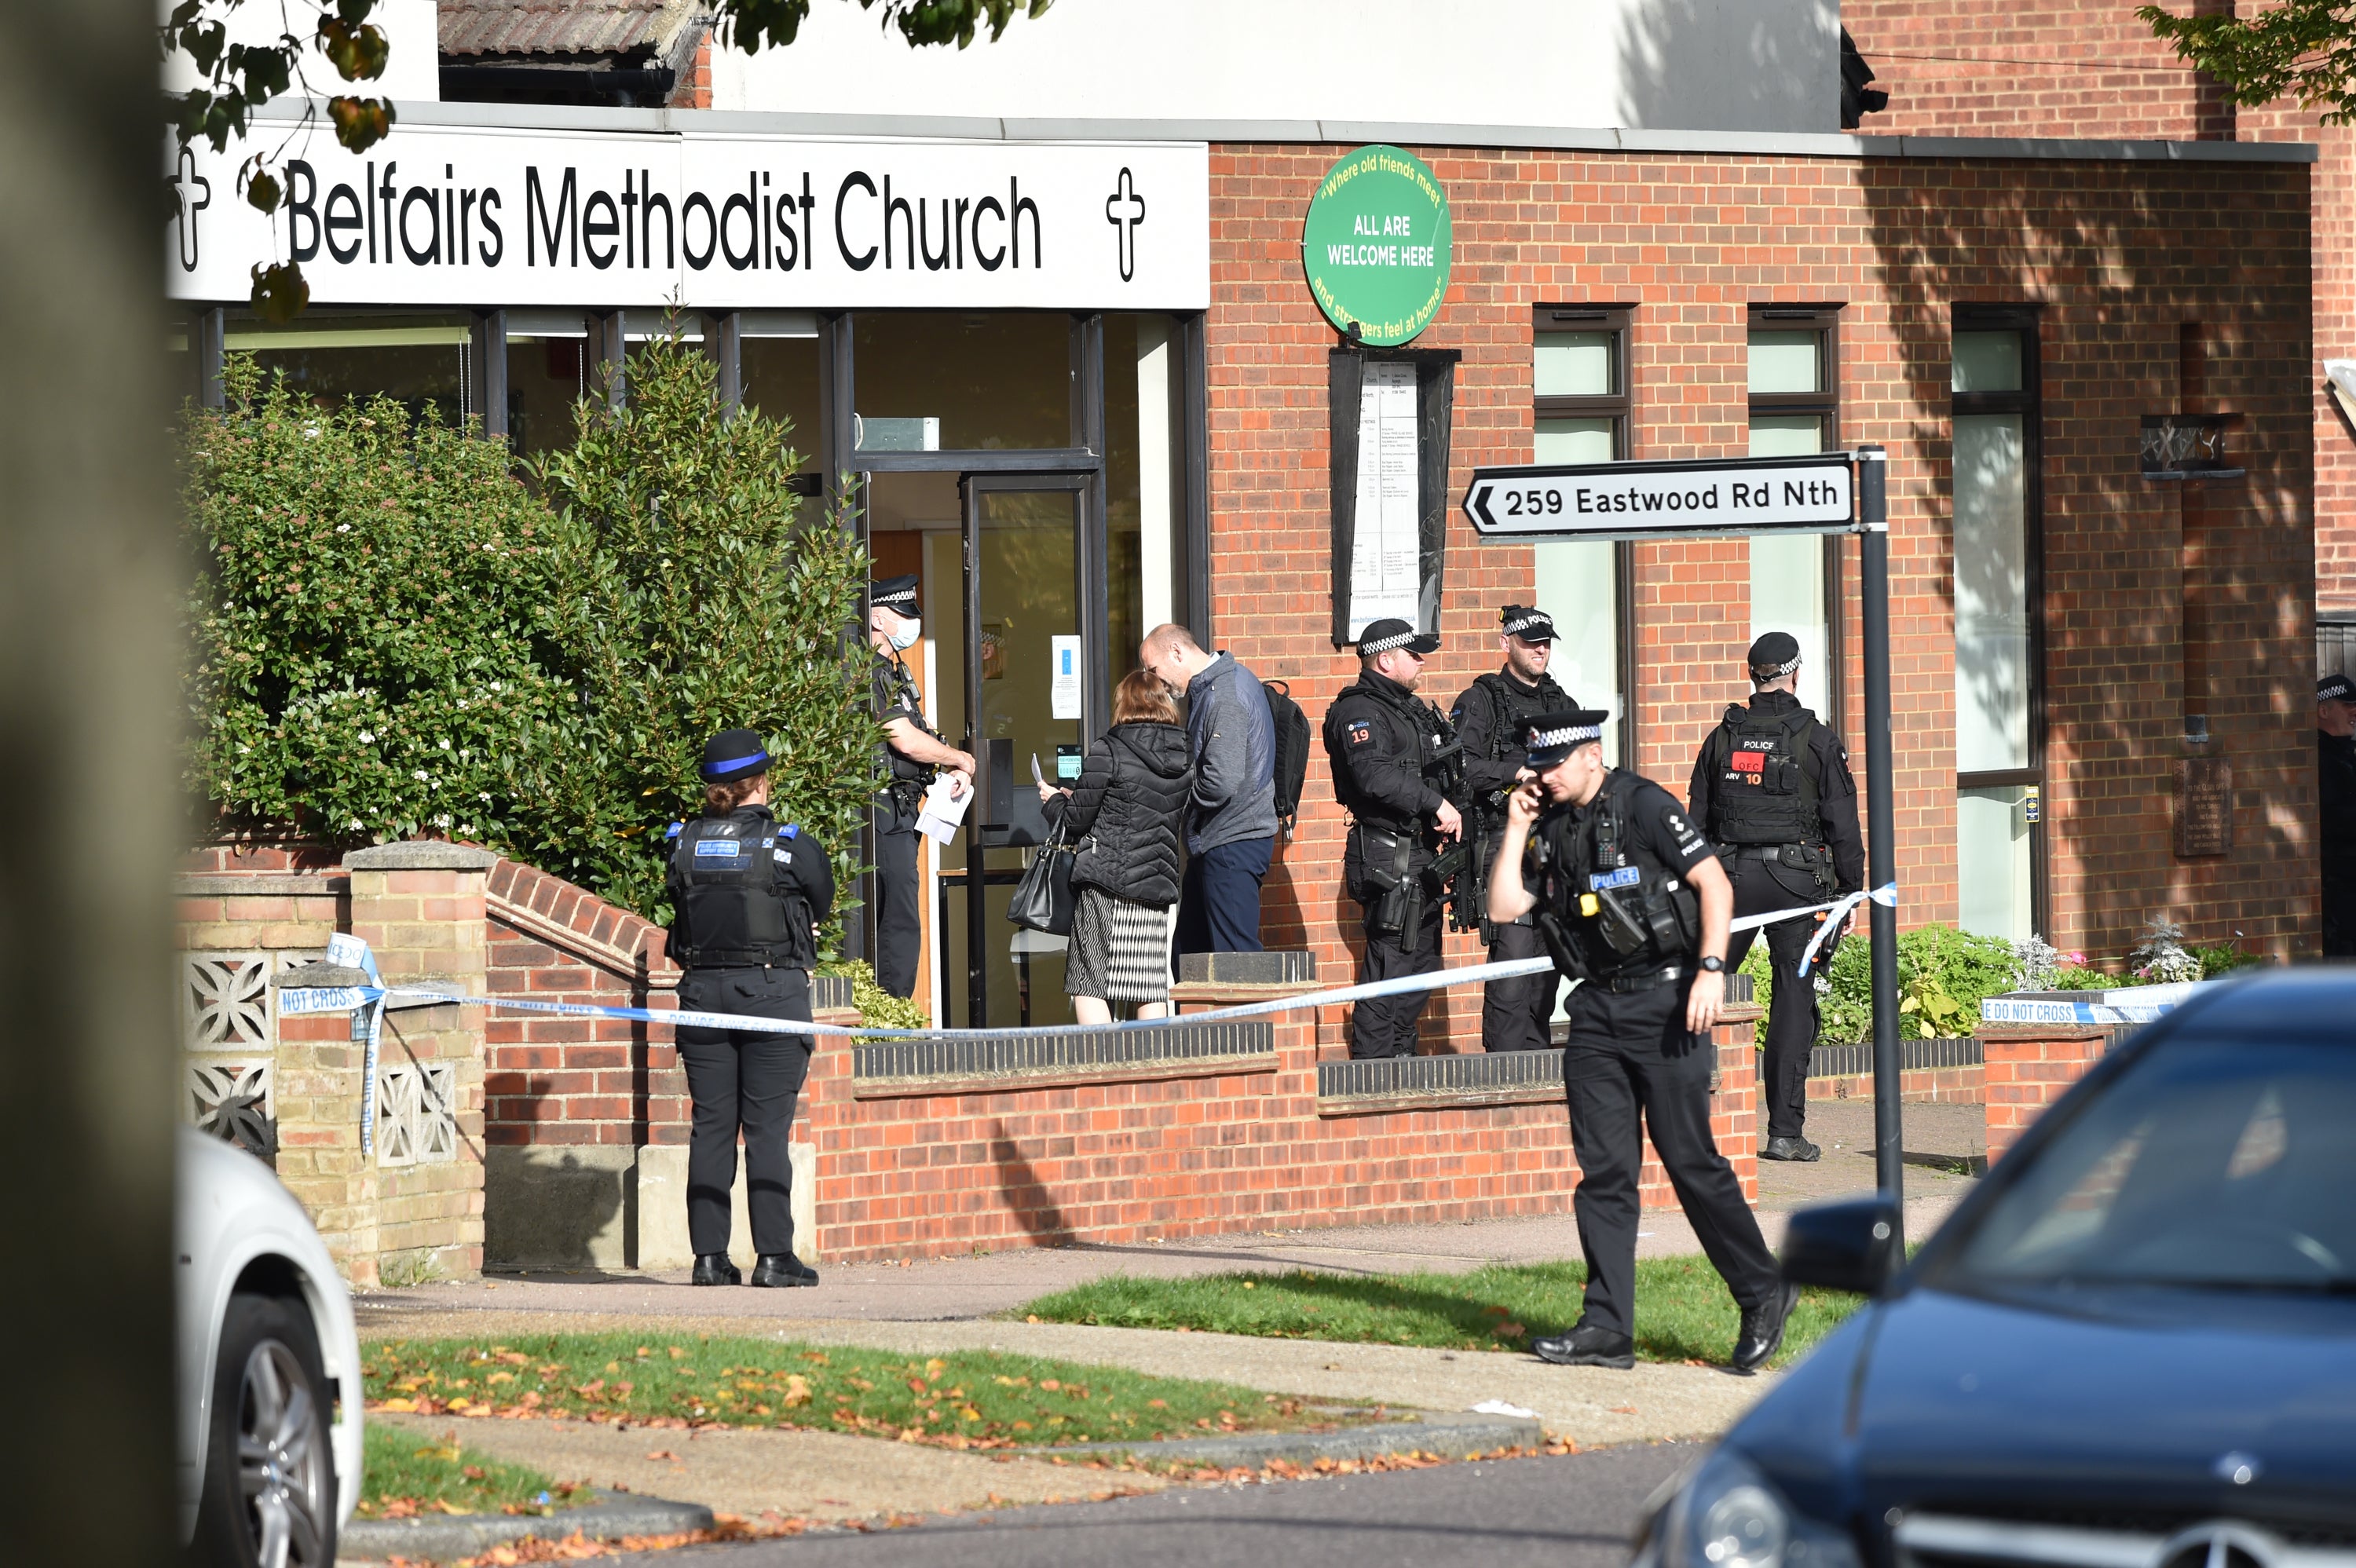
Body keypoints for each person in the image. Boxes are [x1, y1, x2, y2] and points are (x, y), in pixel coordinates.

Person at [1488, 708, 1793, 1373]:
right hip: (1595, 1009)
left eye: (1555, 764)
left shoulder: (1645, 805)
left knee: (1690, 1161)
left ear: (1591, 755)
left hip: (1667, 1000)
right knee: (1605, 1172)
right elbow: (1505, 906)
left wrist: (1712, 970)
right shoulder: (1548, 823)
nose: (1544, 776)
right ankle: (1605, 1325)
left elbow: (1713, 882)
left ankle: (1763, 1289)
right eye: (1537, 765)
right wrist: (1515, 826)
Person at [665, 729, 836, 1289]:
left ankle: (709, 1258)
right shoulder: (788, 845)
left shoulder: (682, 842)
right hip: (772, 995)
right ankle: (773, 1257)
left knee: (711, 1127)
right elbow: (822, 900)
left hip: (702, 998)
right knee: (766, 1131)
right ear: (761, 782)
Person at [1685, 632, 1864, 1162]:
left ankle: (1678, 1118)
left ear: (1752, 675)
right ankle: (1784, 1132)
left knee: (1703, 989)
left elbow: (1695, 823)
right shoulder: (1817, 739)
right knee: (1792, 1001)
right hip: (1796, 884)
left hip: (1730, 881)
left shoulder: (1722, 737)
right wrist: (1850, 893)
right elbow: (1843, 825)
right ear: (1795, 673)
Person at [1322, 618, 1464, 1059]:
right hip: (1388, 854)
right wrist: (1435, 804)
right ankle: (1373, 1070)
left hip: (1419, 854)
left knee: (1422, 964)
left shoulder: (1407, 708)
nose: (1421, 663)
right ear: (1385, 659)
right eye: (1413, 654)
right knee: (1390, 966)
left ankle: (1402, 1058)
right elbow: (1373, 777)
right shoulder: (1359, 711)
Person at [1449, 605, 1575, 1051]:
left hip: (1557, 847)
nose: (1541, 650)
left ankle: (1536, 1062)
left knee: (1549, 961)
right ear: (1507, 644)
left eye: (1546, 642)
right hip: (1505, 843)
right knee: (1513, 958)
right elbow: (1459, 766)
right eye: (1530, 642)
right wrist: (1516, 771)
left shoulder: (1560, 702)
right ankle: (1503, 1065)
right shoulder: (1483, 699)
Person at [1037, 669, 1195, 1022]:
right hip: (1154, 887)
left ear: (1124, 705)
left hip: (1106, 884)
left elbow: (1075, 822)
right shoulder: (1183, 757)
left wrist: (1052, 801)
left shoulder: (1109, 749)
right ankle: (1152, 1070)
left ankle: (1104, 1072)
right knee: (1149, 985)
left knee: (1089, 982)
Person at [1140, 623, 1279, 955]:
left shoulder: (1224, 695)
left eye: (1154, 670)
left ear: (1177, 652)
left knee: (1236, 963)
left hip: (1232, 841)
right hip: (1219, 840)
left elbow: (1220, 782)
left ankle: (1249, 1012)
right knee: (1190, 960)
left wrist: (1172, 794)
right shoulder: (1215, 688)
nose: (1154, 680)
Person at [867, 575, 974, 999]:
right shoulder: (868, 671)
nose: (909, 624)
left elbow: (919, 741)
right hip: (881, 812)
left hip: (902, 812)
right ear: (877, 616)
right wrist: (960, 758)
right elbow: (904, 739)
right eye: (901, 614)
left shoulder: (894, 674)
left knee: (901, 915)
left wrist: (947, 770)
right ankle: (890, 1024)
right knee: (897, 919)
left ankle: (894, 1010)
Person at [2321, 672, 2356, 956]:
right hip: (2338, 883)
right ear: (2323, 710)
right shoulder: (2318, 757)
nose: (2354, 711)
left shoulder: (2346, 754)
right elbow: (2331, 816)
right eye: (2346, 705)